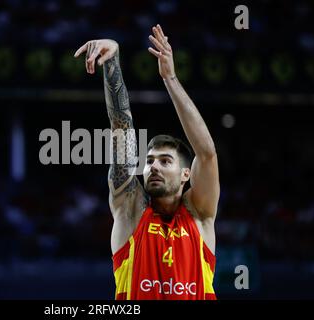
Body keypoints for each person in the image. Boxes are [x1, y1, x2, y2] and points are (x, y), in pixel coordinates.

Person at [74, 24, 219, 300]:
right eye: (150, 160)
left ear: (186, 174)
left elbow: (207, 153)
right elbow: (121, 129)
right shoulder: (132, 212)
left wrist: (171, 78)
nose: (153, 166)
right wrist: (112, 62)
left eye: (166, 161)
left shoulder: (199, 216)